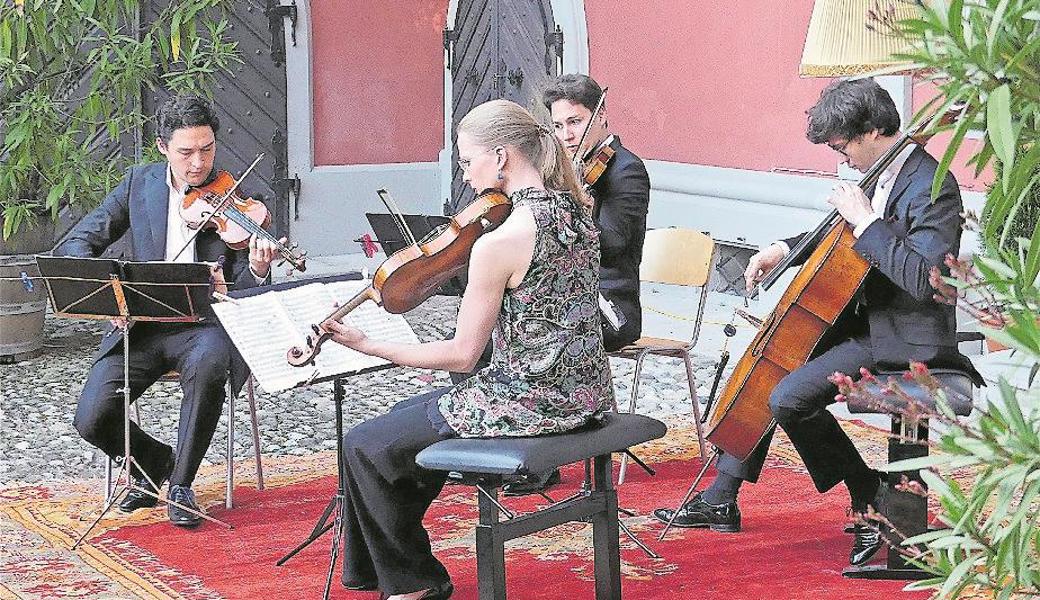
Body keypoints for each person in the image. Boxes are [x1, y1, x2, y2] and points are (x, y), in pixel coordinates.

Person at [652, 78, 980, 566]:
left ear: (872, 130)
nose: (841, 158)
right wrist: (783, 249)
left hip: (903, 338)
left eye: (842, 145)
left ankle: (867, 492)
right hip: (858, 322)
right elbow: (834, 234)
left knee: (786, 397)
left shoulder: (933, 186)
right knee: (771, 361)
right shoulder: (880, 169)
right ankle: (729, 494)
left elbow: (924, 279)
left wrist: (867, 220)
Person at [320, 99, 614, 600]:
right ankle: (397, 572)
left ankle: (413, 584)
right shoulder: (579, 213)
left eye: (466, 159)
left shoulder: (501, 241)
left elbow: (461, 354)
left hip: (528, 402)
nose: (465, 173)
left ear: (501, 157)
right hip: (586, 393)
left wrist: (370, 345)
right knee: (402, 422)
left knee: (366, 445)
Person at [57, 95, 280, 527]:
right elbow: (78, 243)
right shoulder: (139, 185)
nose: (199, 163)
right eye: (186, 152)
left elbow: (252, 293)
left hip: (207, 326)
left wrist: (255, 267)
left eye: (207, 148)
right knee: (91, 417)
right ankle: (153, 460)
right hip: (143, 325)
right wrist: (110, 297)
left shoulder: (242, 196)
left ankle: (181, 484)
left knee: (210, 363)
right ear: (163, 147)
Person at [486, 74, 650, 497]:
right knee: (484, 338)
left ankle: (541, 460)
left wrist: (576, 204)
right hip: (560, 300)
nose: (566, 135)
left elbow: (615, 243)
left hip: (608, 303)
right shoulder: (557, 170)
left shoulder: (627, 171)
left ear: (601, 116)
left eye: (574, 123)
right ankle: (509, 446)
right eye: (557, 127)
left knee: (541, 341)